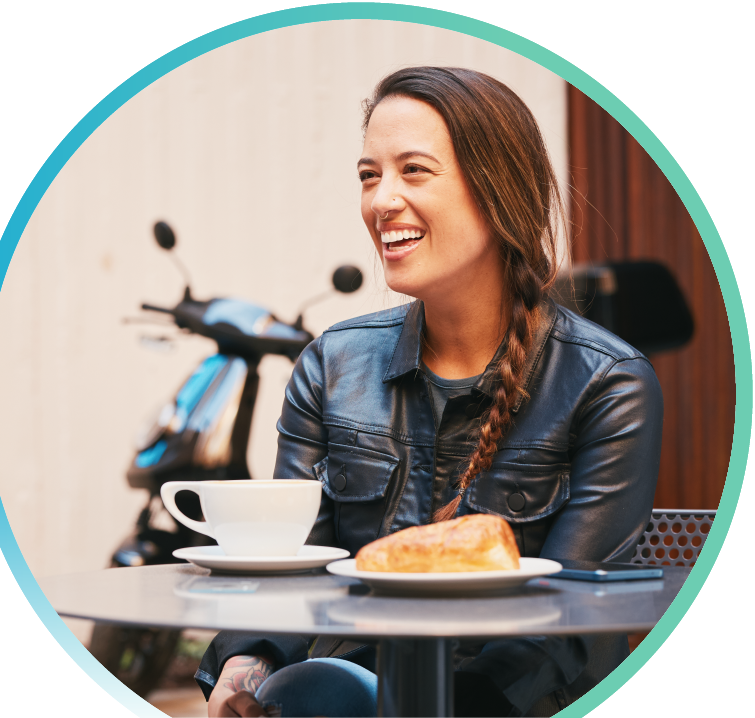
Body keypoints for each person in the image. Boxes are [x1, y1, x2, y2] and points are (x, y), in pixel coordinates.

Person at [196, 66, 663, 718]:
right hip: (340, 696)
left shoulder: (607, 383)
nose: (381, 200)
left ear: (499, 191)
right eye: (368, 174)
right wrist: (251, 660)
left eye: (413, 170)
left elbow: (573, 625)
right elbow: (287, 573)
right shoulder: (331, 364)